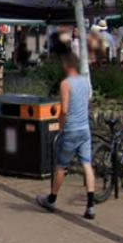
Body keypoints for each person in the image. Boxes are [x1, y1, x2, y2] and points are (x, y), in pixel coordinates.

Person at [37, 52, 97, 220]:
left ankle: (52, 199)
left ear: (66, 66)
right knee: (87, 164)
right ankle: (91, 205)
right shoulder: (85, 82)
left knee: (61, 166)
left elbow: (64, 110)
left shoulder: (66, 84)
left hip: (71, 130)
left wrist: (60, 127)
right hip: (85, 129)